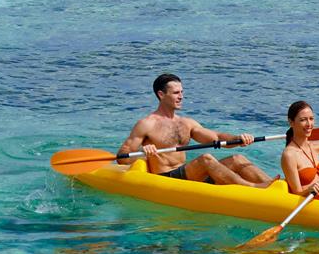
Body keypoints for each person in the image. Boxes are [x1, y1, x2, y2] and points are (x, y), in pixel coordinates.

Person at [116, 73, 272, 186]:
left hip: (188, 175)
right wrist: (143, 153)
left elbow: (216, 138)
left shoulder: (186, 123)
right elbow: (122, 157)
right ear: (161, 94)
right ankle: (251, 187)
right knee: (205, 159)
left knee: (238, 159)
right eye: (176, 93)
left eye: (182, 92)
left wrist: (238, 139)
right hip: (167, 178)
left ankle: (274, 186)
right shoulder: (147, 124)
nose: (181, 96)